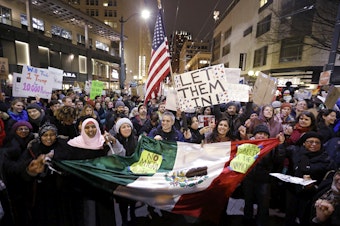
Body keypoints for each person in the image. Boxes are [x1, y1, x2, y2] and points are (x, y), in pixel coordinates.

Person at [284, 132, 336, 226]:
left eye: (317, 142)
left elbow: (329, 179)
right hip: (292, 192)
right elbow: (280, 154)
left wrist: (314, 186)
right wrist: (280, 142)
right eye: (310, 142)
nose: (314, 144)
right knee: (290, 217)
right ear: (304, 143)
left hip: (311, 196)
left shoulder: (326, 159)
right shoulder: (295, 152)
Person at [242, 124, 285, 226]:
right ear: (255, 134)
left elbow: (279, 159)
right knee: (248, 202)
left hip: (264, 180)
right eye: (259, 133)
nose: (262, 136)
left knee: (263, 205)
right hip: (248, 179)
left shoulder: (271, 146)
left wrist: (280, 145)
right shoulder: (248, 144)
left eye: (265, 134)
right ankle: (247, 221)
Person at [2, 121, 34, 226]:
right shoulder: (11, 144)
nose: (24, 131)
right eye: (20, 129)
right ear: (15, 131)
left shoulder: (32, 142)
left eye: (26, 129)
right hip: (14, 183)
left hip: (28, 182)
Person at [110, 118, 138, 225]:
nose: (126, 129)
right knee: (123, 201)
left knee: (133, 198)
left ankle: (133, 215)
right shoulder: (114, 142)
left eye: (128, 126)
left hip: (133, 175)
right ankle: (124, 220)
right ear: (119, 129)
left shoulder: (135, 140)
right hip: (120, 177)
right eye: (123, 127)